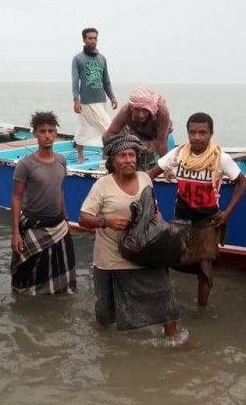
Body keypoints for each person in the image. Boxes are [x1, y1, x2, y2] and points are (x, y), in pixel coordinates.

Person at [79, 134, 189, 345]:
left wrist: (164, 231)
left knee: (164, 295)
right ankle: (105, 346)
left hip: (144, 252)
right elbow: (84, 218)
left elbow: (153, 211)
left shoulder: (145, 179)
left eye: (131, 155)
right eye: (122, 156)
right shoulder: (102, 185)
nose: (128, 160)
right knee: (105, 313)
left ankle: (175, 342)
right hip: (111, 257)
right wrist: (105, 221)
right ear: (112, 161)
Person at [148, 112, 246, 307]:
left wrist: (227, 212)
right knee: (168, 259)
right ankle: (166, 304)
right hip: (181, 219)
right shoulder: (177, 155)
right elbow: (148, 176)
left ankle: (201, 310)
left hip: (207, 221)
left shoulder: (221, 158)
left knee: (204, 268)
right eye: (192, 132)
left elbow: (242, 182)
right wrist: (153, 207)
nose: (197, 137)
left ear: (211, 134)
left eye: (203, 133)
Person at [10, 111, 77, 296]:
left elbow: (60, 190)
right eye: (42, 131)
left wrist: (66, 217)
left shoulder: (61, 161)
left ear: (55, 133)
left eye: (51, 131)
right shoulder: (25, 164)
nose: (47, 135)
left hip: (58, 225)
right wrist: (15, 232)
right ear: (35, 133)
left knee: (62, 272)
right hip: (34, 226)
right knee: (28, 275)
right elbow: (16, 197)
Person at [72, 28, 118, 164]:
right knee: (106, 127)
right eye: (90, 38)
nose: (93, 41)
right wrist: (76, 100)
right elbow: (75, 81)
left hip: (101, 100)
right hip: (86, 101)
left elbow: (106, 81)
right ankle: (80, 155)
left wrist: (112, 97)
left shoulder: (102, 59)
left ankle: (104, 153)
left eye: (95, 38)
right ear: (84, 40)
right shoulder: (78, 59)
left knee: (95, 128)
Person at [104, 87, 174, 169]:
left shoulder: (162, 112)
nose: (141, 115)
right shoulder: (125, 111)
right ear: (131, 108)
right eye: (137, 110)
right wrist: (110, 157)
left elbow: (161, 143)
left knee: (142, 150)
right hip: (135, 131)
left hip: (156, 137)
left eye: (145, 110)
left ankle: (142, 165)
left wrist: (165, 170)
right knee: (105, 137)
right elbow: (111, 133)